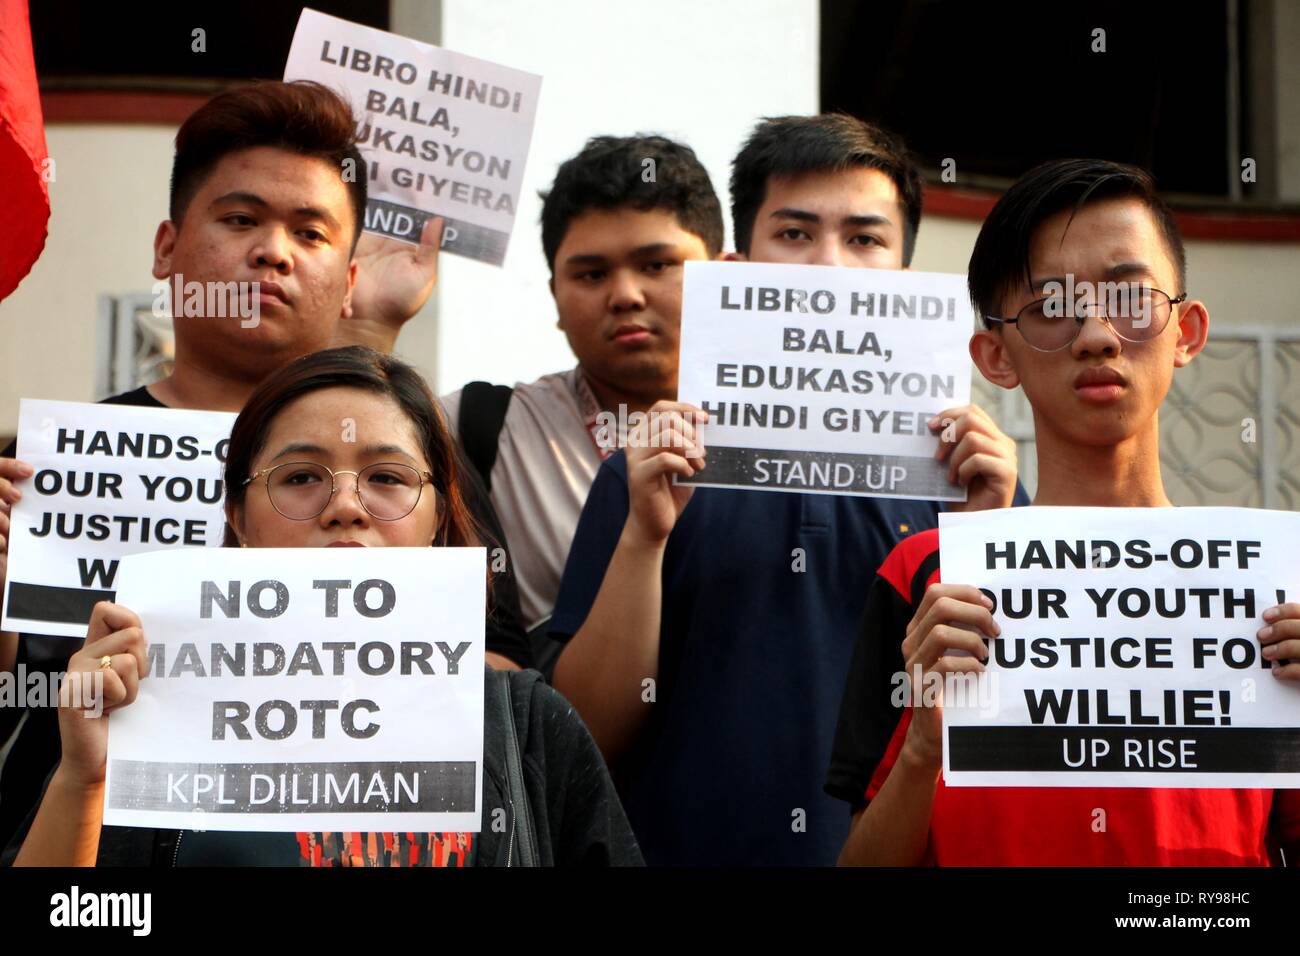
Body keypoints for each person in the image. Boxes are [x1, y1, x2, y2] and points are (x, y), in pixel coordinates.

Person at [0, 79, 531, 850]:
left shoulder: (413, 468)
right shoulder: (42, 471)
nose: (272, 252)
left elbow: (502, 680)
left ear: (349, 279)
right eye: (241, 218)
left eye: (311, 234)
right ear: (166, 247)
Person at [548, 114, 1027, 866]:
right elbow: (582, 734)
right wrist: (644, 538)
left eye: (865, 239)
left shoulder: (974, 487)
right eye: (796, 234)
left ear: (905, 274)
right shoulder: (647, 474)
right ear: (738, 266)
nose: (829, 267)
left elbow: (1022, 738)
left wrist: (987, 537)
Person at [828, 157, 1300, 866]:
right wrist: (924, 747)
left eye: (1131, 299)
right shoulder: (930, 576)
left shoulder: (1274, 586)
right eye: (1051, 306)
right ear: (995, 355)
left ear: (1188, 331)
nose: (1097, 336)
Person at [4, 346, 642, 867]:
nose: (345, 506)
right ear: (239, 520)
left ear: (438, 517)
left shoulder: (526, 721)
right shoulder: (145, 719)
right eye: (301, 477)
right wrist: (83, 781)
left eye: (388, 478)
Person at [441, 134, 725, 656]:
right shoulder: (475, 426)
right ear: (555, 295)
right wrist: (372, 327)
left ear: (724, 272)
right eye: (592, 274)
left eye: (657, 264)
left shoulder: (801, 433)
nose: (625, 295)